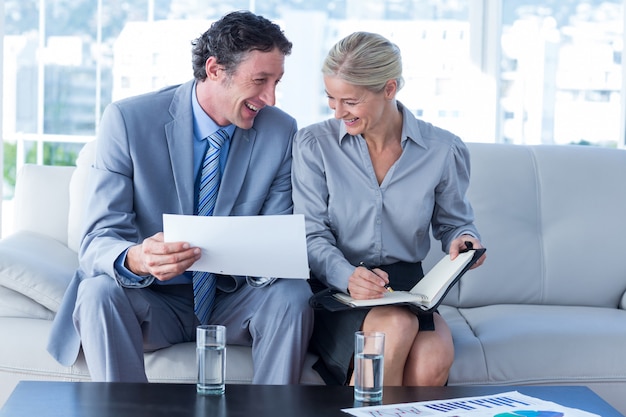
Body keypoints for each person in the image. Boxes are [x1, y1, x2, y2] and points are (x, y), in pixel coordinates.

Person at [47, 10, 313, 384]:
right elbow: (96, 241)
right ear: (215, 69)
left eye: (277, 82)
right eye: (260, 80)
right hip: (154, 300)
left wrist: (271, 256)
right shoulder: (128, 121)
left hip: (232, 300)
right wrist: (138, 258)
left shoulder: (280, 131)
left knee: (291, 294)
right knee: (97, 291)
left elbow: (274, 240)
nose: (270, 97)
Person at [291, 31, 486, 387]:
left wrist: (464, 240)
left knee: (432, 360)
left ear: (389, 89)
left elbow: (454, 223)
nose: (337, 112)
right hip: (338, 287)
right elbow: (310, 234)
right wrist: (347, 275)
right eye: (330, 98)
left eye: (350, 101)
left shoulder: (443, 149)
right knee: (393, 327)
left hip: (408, 288)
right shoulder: (314, 145)